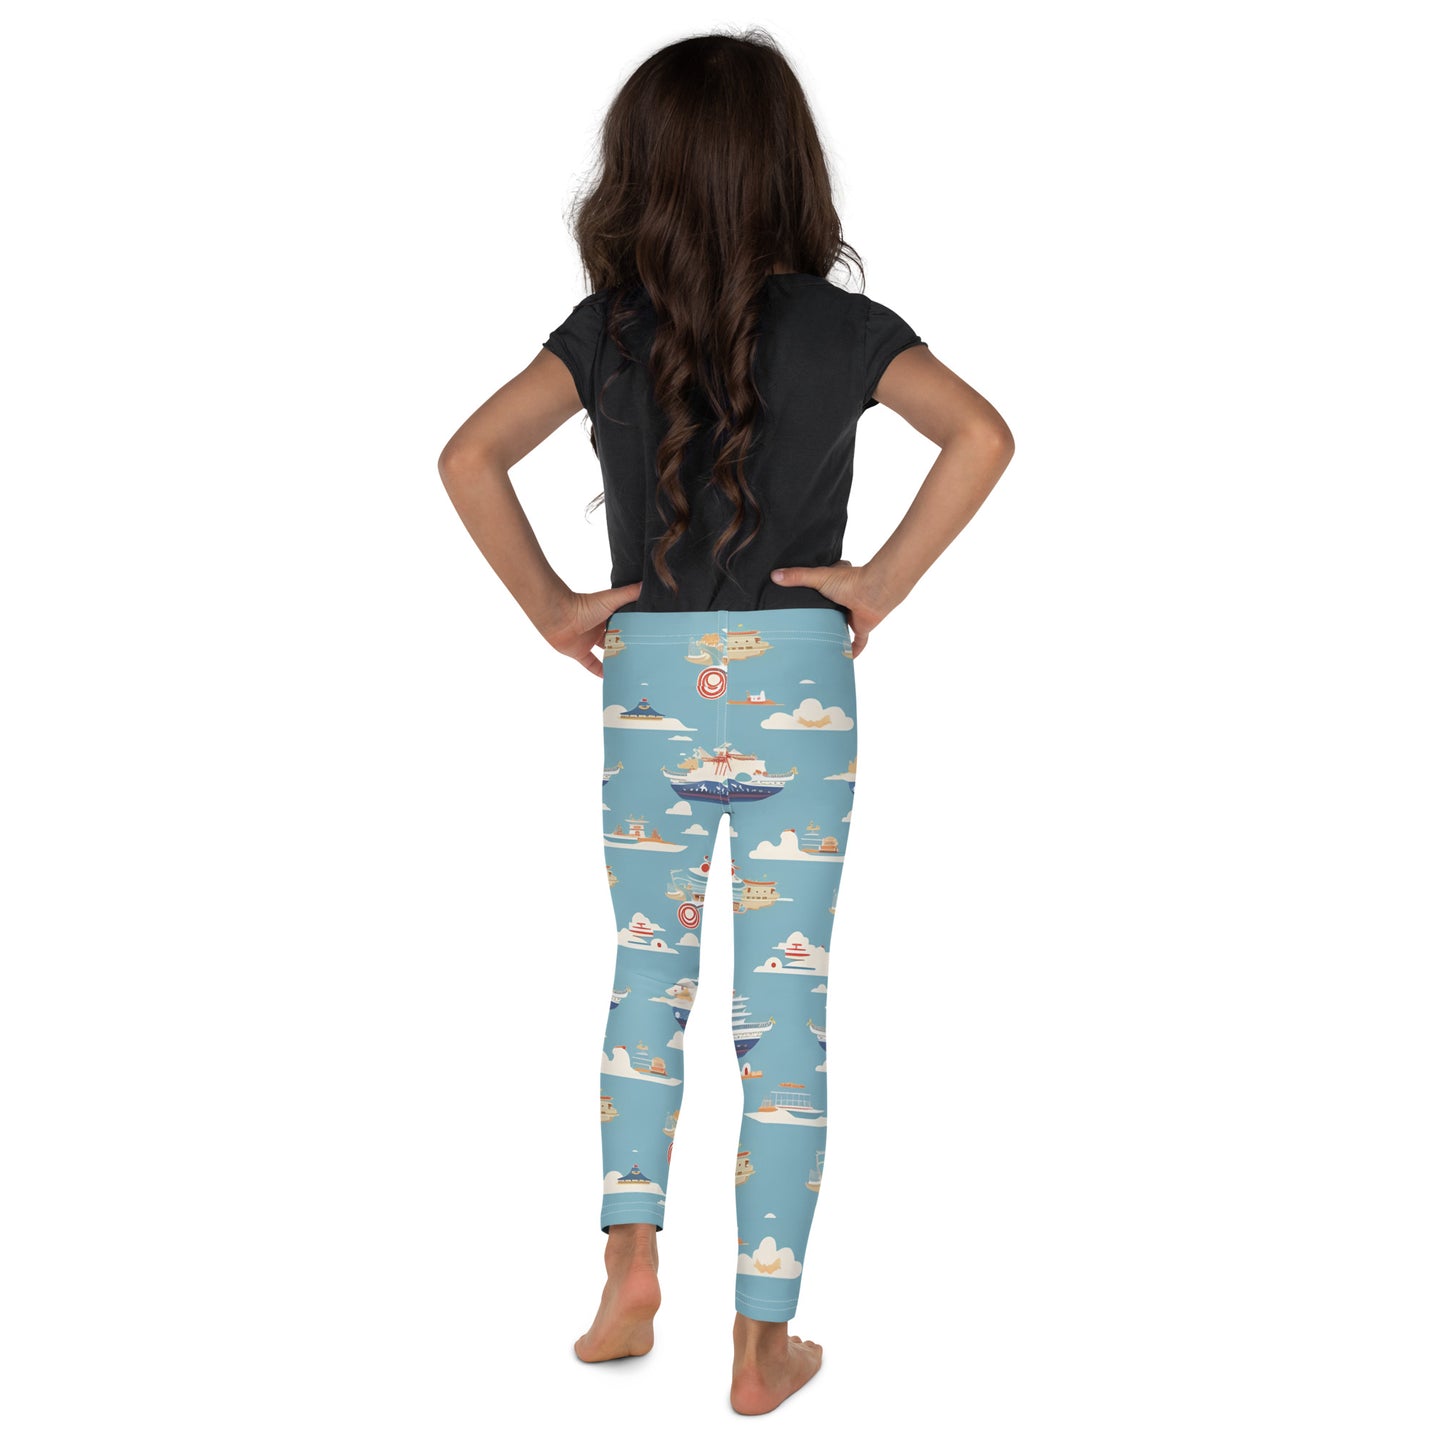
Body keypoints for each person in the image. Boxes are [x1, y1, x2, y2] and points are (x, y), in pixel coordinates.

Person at [437, 28, 1013, 1415]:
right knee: (783, 1002)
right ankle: (763, 1338)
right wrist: (879, 581)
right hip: (800, 677)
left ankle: (628, 1271)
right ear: (787, 167)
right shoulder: (845, 329)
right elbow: (983, 434)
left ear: (636, 171)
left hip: (646, 680)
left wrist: (554, 608)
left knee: (648, 975)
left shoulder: (608, 331)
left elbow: (468, 456)